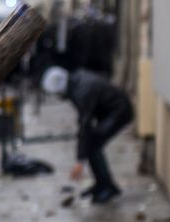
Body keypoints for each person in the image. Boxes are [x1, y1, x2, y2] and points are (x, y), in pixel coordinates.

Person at [42, 66, 134, 204]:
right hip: (112, 110)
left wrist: (80, 161)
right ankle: (101, 184)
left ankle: (107, 186)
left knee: (93, 144)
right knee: (91, 144)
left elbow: (85, 125)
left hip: (120, 111)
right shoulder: (76, 82)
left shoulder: (82, 91)